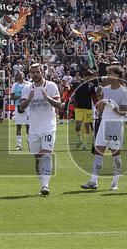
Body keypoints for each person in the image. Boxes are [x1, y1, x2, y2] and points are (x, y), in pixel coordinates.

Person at [81, 65, 127, 191]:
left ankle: (115, 182)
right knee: (98, 152)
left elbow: (123, 112)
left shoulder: (124, 92)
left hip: (115, 125)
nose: (108, 76)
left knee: (115, 155)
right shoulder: (105, 89)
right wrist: (100, 102)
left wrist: (111, 105)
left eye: (111, 73)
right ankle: (93, 181)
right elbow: (100, 109)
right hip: (104, 123)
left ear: (117, 76)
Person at [18, 62, 62, 196]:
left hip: (49, 126)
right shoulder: (27, 88)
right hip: (34, 129)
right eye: (33, 72)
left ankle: (45, 185)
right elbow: (21, 108)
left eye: (38, 72)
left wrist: (47, 98)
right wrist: (29, 100)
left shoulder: (51, 86)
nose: (35, 75)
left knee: (46, 155)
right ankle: (42, 183)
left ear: (42, 72)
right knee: (37, 158)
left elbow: (59, 105)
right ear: (30, 74)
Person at [72, 75, 96, 149]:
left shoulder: (91, 85)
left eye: (91, 77)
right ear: (85, 76)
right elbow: (73, 91)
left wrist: (96, 106)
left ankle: (85, 144)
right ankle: (80, 140)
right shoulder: (77, 84)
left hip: (88, 108)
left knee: (87, 126)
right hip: (79, 108)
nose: (91, 78)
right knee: (78, 126)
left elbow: (93, 96)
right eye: (89, 77)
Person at [10, 71, 29, 150]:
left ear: (23, 75)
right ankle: (19, 145)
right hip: (18, 107)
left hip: (27, 107)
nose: (19, 75)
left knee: (28, 127)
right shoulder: (14, 85)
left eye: (20, 74)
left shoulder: (28, 84)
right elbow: (12, 97)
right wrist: (21, 97)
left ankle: (29, 143)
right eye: (17, 74)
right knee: (19, 127)